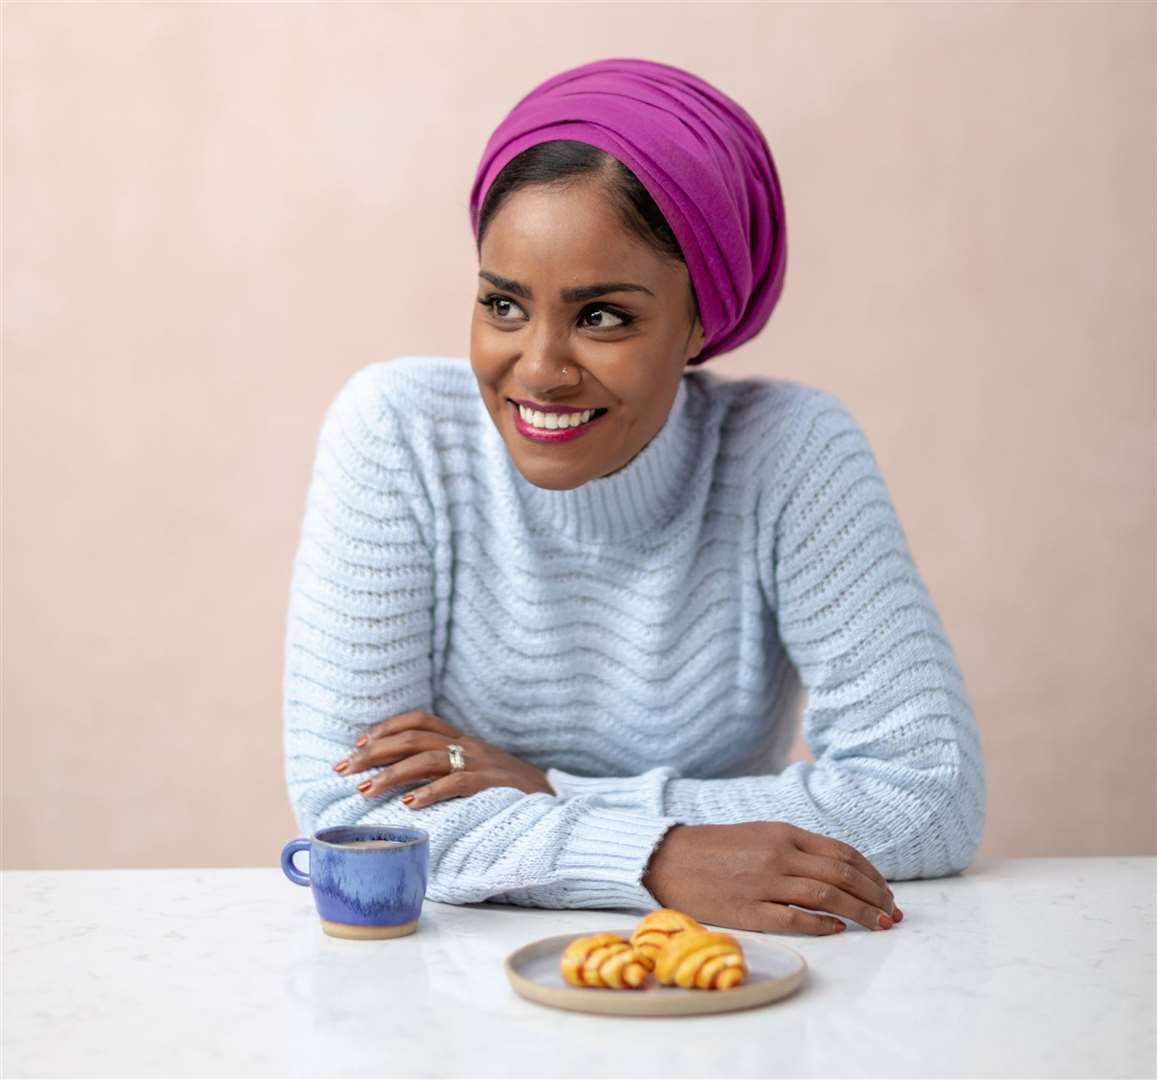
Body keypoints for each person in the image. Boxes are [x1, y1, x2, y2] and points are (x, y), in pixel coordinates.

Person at [281, 57, 986, 937]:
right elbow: (354, 817)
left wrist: (555, 794)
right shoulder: (397, 433)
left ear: (702, 320)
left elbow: (929, 796)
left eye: (602, 316)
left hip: (717, 988)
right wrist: (656, 858)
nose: (537, 369)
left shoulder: (788, 453)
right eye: (503, 305)